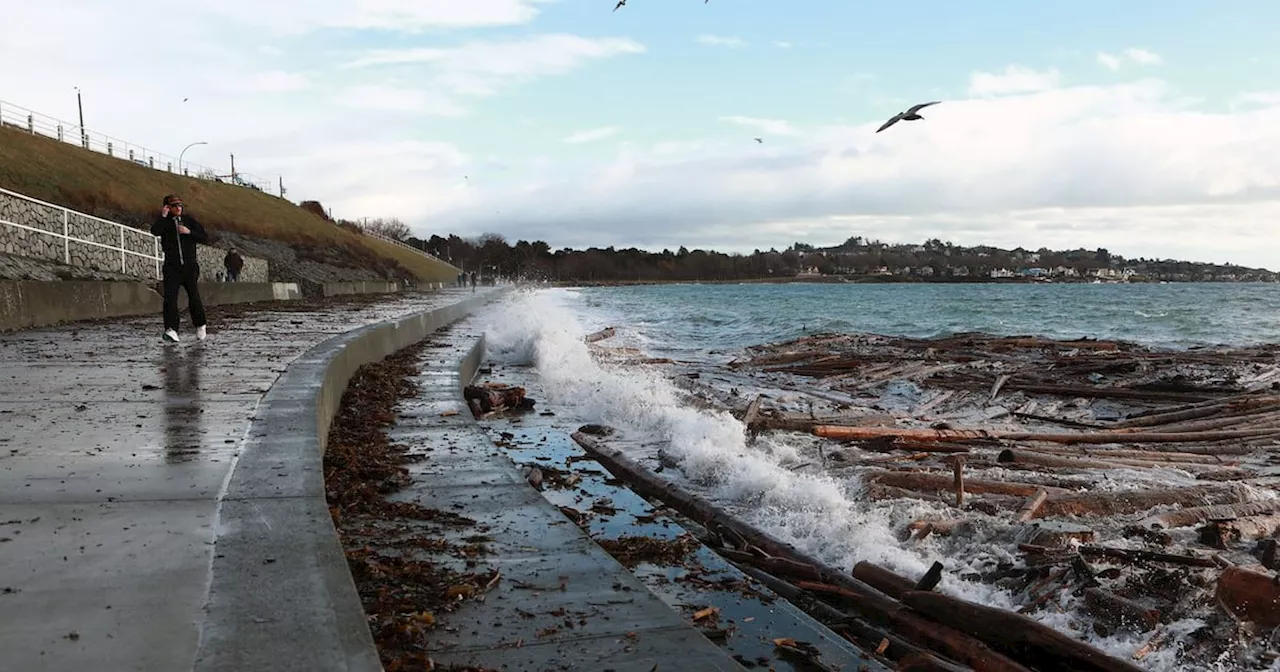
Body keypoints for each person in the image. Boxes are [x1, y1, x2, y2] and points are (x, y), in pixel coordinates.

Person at [150, 195, 210, 343]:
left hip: (190, 266)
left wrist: (189, 232)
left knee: (194, 296)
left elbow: (204, 237)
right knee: (170, 298)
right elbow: (155, 231)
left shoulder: (189, 221)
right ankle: (171, 330)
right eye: (174, 205)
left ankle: (200, 325)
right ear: (167, 207)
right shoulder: (164, 222)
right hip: (172, 266)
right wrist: (163, 216)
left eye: (180, 205)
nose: (178, 208)